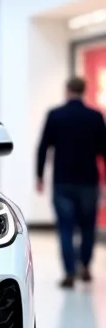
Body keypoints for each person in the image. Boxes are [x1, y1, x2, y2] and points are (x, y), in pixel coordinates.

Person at [36, 75, 106, 287]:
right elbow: (104, 150)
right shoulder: (95, 117)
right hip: (88, 181)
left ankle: (69, 272)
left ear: (67, 90)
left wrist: (39, 175)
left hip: (62, 180)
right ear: (83, 90)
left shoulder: (55, 115)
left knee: (65, 227)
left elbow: (43, 147)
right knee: (87, 225)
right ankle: (84, 265)